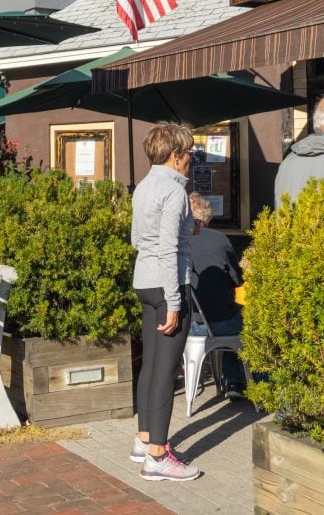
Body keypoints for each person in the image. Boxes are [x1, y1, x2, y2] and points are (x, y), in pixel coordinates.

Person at [130, 122, 200, 482]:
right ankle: (158, 455)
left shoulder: (142, 187)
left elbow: (138, 238)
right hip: (168, 285)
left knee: (151, 365)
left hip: (144, 282)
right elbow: (170, 249)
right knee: (166, 370)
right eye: (189, 153)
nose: (191, 159)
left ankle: (144, 440)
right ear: (175, 156)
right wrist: (175, 302)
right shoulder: (173, 192)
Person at [187, 193, 247, 400]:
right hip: (220, 322)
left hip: (189, 324)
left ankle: (191, 382)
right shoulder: (219, 239)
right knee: (240, 320)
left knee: (227, 316)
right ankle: (239, 381)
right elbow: (237, 280)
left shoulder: (178, 242)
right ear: (208, 218)